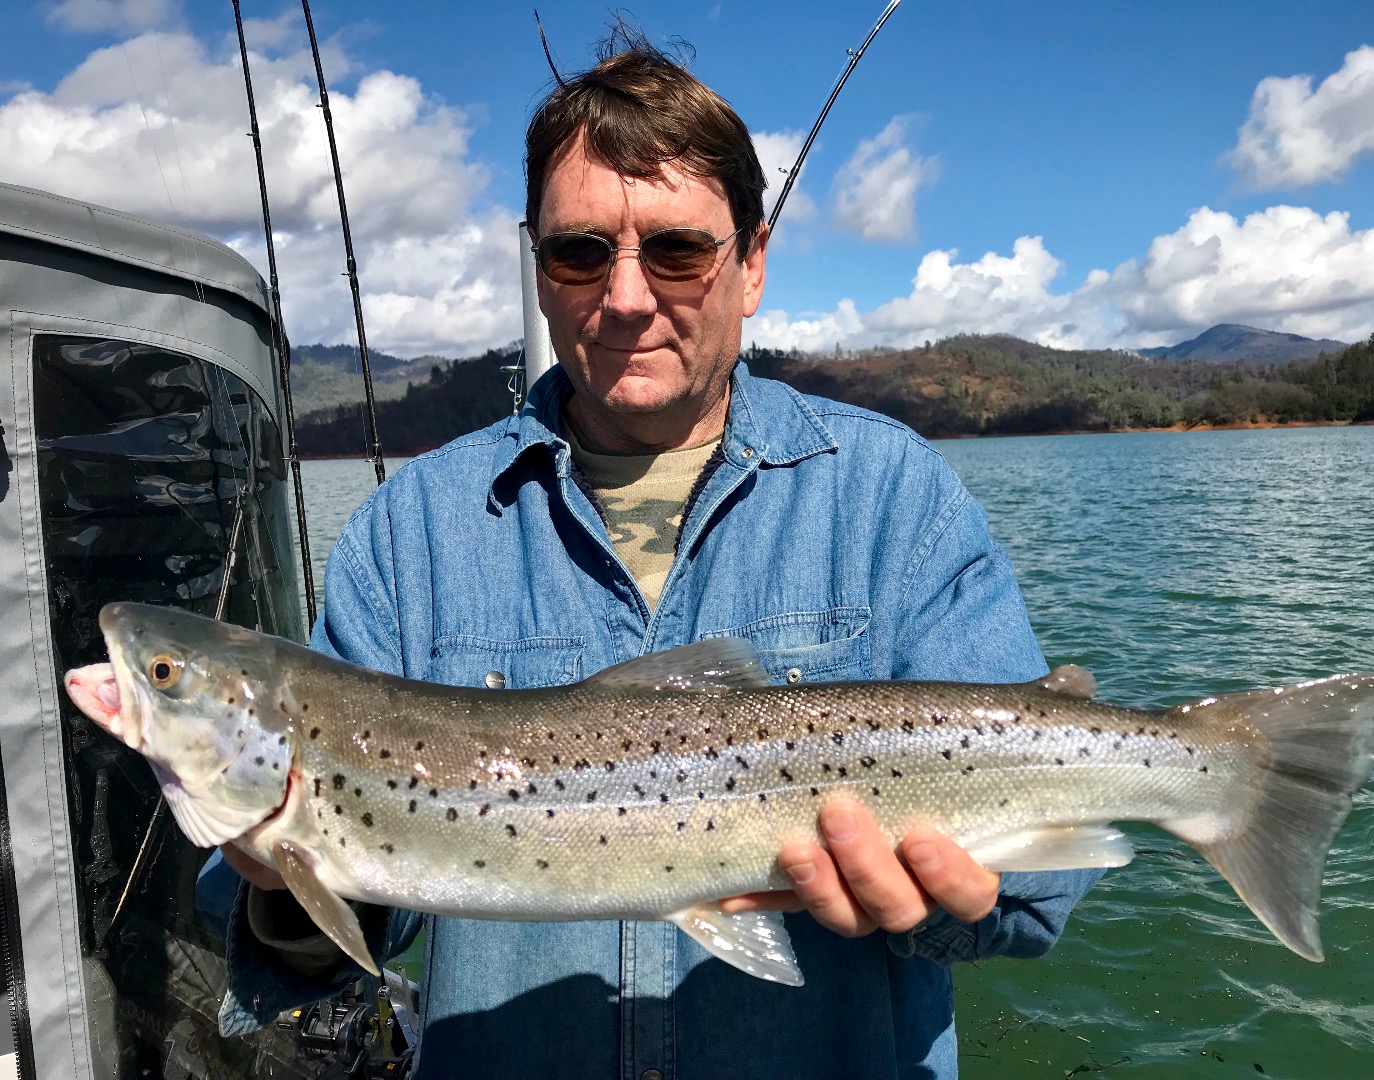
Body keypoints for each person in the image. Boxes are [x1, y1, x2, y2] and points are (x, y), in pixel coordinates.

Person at [210, 31, 1100, 1080]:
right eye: (581, 251)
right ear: (539, 271)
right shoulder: (409, 536)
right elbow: (318, 949)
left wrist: (945, 908)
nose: (626, 296)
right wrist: (284, 889)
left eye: (678, 250)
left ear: (753, 264)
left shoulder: (894, 496)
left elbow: (1041, 894)